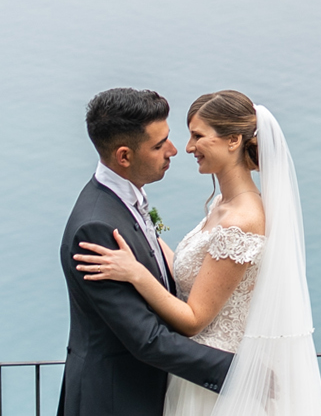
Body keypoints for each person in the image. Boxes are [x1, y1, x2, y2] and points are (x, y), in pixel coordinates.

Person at [75, 91, 321, 416]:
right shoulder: (223, 205)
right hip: (199, 376)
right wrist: (145, 229)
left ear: (233, 140)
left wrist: (136, 273)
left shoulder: (242, 220)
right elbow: (194, 266)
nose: (187, 147)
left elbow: (193, 321)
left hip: (218, 385)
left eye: (198, 136)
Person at [60, 89, 235, 416]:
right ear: (124, 156)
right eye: (158, 145)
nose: (173, 151)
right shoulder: (95, 229)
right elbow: (147, 339)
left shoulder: (125, 201)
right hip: (115, 402)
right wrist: (241, 372)